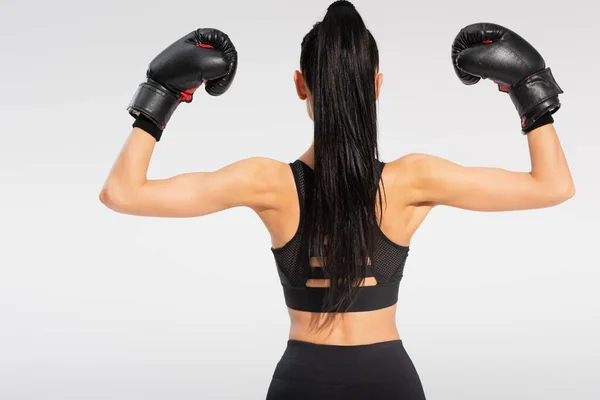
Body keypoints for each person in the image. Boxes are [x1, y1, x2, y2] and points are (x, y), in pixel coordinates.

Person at [99, 1, 575, 399]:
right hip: (389, 381)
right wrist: (528, 90)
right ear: (377, 86)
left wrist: (161, 95)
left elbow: (121, 193)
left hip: (302, 381)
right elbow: (552, 186)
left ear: (300, 84)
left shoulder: (267, 182)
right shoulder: (413, 179)